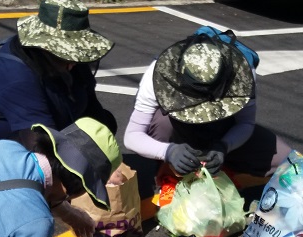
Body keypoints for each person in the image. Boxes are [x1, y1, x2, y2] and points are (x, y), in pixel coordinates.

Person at [123, 27, 292, 181]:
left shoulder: (243, 74)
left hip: (222, 128)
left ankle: (222, 167)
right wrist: (168, 152)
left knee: (288, 161)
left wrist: (224, 146)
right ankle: (169, 170)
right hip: (179, 130)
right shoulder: (158, 75)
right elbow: (132, 135)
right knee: (161, 122)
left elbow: (246, 123)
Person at [0, 0, 117, 155]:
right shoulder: (15, 77)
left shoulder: (63, 62)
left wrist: (105, 155)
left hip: (51, 132)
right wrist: (96, 163)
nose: (73, 62)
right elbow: (43, 147)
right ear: (43, 46)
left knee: (106, 127)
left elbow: (94, 112)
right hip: (0, 158)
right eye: (66, 55)